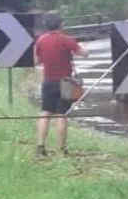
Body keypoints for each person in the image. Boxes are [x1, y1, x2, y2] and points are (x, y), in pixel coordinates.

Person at [34, 13, 88, 156]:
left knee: (45, 113)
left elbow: (37, 61)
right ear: (61, 24)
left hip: (48, 81)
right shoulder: (66, 39)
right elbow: (84, 54)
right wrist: (83, 46)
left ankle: (40, 147)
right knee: (61, 115)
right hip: (65, 82)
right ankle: (62, 150)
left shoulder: (41, 40)